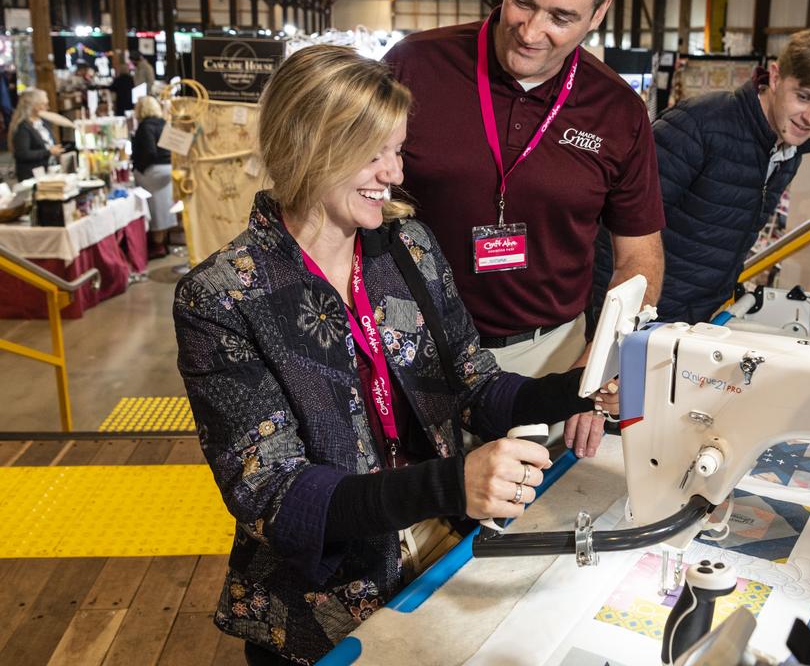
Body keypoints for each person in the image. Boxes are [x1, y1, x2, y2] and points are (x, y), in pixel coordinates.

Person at [174, 45, 615, 665]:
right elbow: (275, 494)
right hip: (317, 608)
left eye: (398, 150)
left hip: (440, 557)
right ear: (306, 146)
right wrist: (451, 484)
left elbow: (474, 384)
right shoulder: (222, 296)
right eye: (372, 154)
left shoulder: (405, 246)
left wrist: (578, 390)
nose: (394, 173)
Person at [386, 0, 664, 456]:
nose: (532, 32)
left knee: (526, 530)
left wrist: (597, 368)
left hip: (548, 360)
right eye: (522, 1)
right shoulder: (414, 66)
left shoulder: (618, 111)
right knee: (409, 527)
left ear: (599, 13)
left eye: (561, 16)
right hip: (413, 350)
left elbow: (640, 259)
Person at [654, 27, 810, 324]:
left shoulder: (788, 151)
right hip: (645, 317)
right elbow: (618, 227)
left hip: (697, 320)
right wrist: (619, 326)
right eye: (803, 97)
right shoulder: (698, 125)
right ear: (775, 77)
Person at [131, 96, 174, 258]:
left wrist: (138, 168)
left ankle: (155, 244)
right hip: (168, 169)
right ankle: (162, 242)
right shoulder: (164, 124)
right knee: (163, 206)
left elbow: (149, 151)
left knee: (153, 206)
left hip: (154, 170)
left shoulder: (145, 126)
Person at [9, 89, 63, 181]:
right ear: (34, 106)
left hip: (49, 172)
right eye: (44, 104)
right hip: (32, 176)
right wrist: (49, 152)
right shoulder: (23, 127)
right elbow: (22, 154)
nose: (48, 107)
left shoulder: (43, 122)